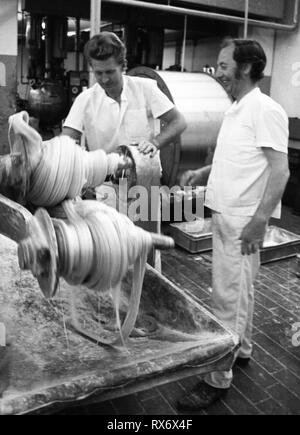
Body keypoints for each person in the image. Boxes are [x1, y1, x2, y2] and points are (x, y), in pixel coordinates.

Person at [178, 38, 290, 410]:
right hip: (229, 215)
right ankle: (241, 349)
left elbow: (280, 170)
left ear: (244, 68)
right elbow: (240, 157)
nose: (218, 72)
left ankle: (216, 379)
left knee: (227, 298)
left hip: (244, 221)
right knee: (242, 291)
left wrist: (260, 221)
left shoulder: (264, 109)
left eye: (224, 65)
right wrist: (203, 171)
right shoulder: (239, 108)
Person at [62, 32, 186, 269]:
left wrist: (157, 142)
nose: (105, 79)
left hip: (145, 182)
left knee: (145, 246)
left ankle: (149, 292)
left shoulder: (145, 89)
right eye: (98, 73)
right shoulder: (86, 100)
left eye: (110, 72)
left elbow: (179, 122)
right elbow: (67, 139)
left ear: (123, 66)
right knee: (113, 247)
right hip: (109, 185)